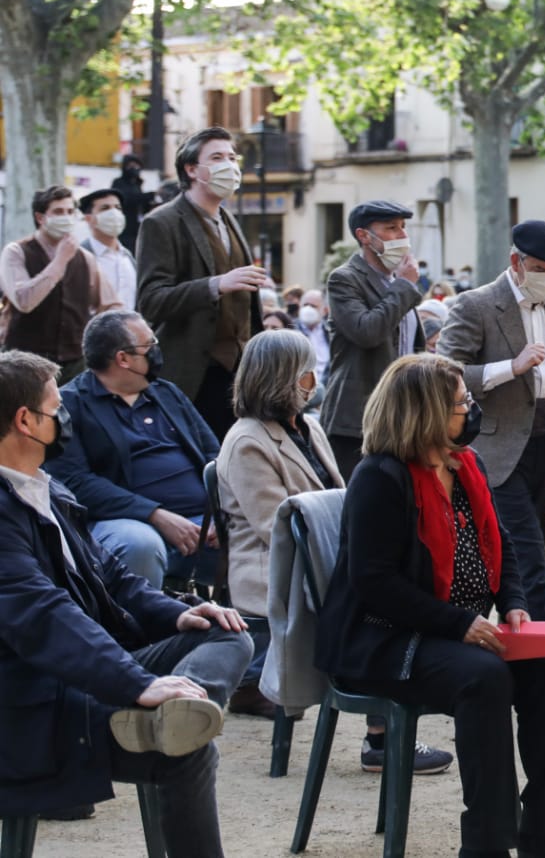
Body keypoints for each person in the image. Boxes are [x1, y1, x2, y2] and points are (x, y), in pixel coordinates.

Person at [314, 354, 545, 858]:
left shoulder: (465, 464)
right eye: (461, 403)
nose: (470, 410)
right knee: (484, 676)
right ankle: (487, 844)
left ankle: (544, 836)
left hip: (452, 630)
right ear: (426, 412)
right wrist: (459, 623)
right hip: (384, 636)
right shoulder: (380, 477)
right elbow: (374, 583)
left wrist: (514, 602)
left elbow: (502, 546)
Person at [0, 351, 252, 852]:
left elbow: (112, 577)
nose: (66, 417)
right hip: (41, 699)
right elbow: (44, 616)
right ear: (25, 421)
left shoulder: (48, 487)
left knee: (225, 629)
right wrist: (137, 683)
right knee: (190, 753)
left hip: (94, 675)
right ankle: (171, 721)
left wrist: (178, 611)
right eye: (58, 409)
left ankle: (177, 712)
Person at [437, 220, 545, 623]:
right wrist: (511, 366)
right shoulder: (476, 304)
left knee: (532, 549)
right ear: (516, 262)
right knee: (527, 557)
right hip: (497, 450)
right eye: (541, 269)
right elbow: (444, 371)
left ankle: (515, 637)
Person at [215, 329, 343, 717]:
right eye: (307, 373)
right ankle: (380, 730)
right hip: (278, 567)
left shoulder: (310, 426)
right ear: (281, 379)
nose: (314, 381)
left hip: (317, 552)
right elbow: (277, 530)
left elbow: (336, 497)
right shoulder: (247, 442)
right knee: (375, 599)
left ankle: (381, 721)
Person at [48, 311, 220, 591]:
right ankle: (144, 632)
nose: (157, 351)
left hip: (205, 523)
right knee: (140, 544)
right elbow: (74, 482)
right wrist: (156, 515)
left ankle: (259, 631)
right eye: (149, 345)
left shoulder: (167, 393)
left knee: (265, 529)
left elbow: (215, 455)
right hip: (127, 522)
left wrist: (221, 513)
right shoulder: (69, 404)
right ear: (123, 359)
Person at [135, 127, 266, 440]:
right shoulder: (161, 222)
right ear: (192, 169)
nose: (230, 165)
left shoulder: (228, 218)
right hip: (194, 372)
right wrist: (216, 284)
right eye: (217, 157)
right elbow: (151, 301)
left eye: (232, 157)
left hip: (241, 371)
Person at [321, 200, 424, 480]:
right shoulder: (344, 279)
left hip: (403, 415)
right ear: (364, 236)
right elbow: (367, 331)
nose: (402, 235)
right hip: (357, 418)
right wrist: (405, 286)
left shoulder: (400, 282)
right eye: (391, 228)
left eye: (403, 227)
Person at [1, 185, 122, 382]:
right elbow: (24, 301)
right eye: (58, 212)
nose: (65, 217)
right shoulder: (17, 252)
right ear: (40, 218)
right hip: (24, 362)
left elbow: (110, 305)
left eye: (69, 211)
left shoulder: (85, 258)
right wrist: (59, 262)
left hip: (74, 362)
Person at [82, 188, 139, 314]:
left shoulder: (128, 257)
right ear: (88, 218)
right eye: (105, 208)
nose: (114, 213)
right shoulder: (81, 257)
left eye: (118, 208)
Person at [111, 153, 155, 254]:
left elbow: (140, 206)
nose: (134, 168)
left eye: (136, 166)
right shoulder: (118, 183)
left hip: (137, 229)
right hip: (124, 229)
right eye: (131, 166)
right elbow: (126, 199)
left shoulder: (137, 184)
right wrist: (148, 196)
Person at [295, 287, 331, 380]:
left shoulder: (331, 332)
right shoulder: (290, 330)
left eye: (313, 306)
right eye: (305, 305)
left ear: (325, 310)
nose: (308, 309)